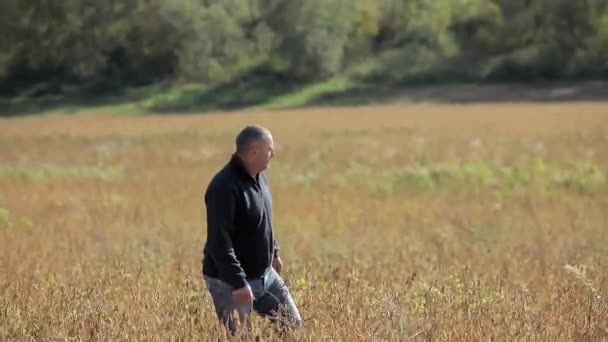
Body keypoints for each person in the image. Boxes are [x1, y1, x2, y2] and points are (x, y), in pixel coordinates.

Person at [201, 125, 302, 334]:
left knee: (293, 327)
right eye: (270, 149)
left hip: (266, 275)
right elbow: (219, 243)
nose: (273, 154)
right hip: (229, 281)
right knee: (239, 337)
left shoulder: (259, 176)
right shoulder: (224, 187)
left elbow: (263, 220)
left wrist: (274, 252)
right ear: (254, 152)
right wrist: (238, 283)